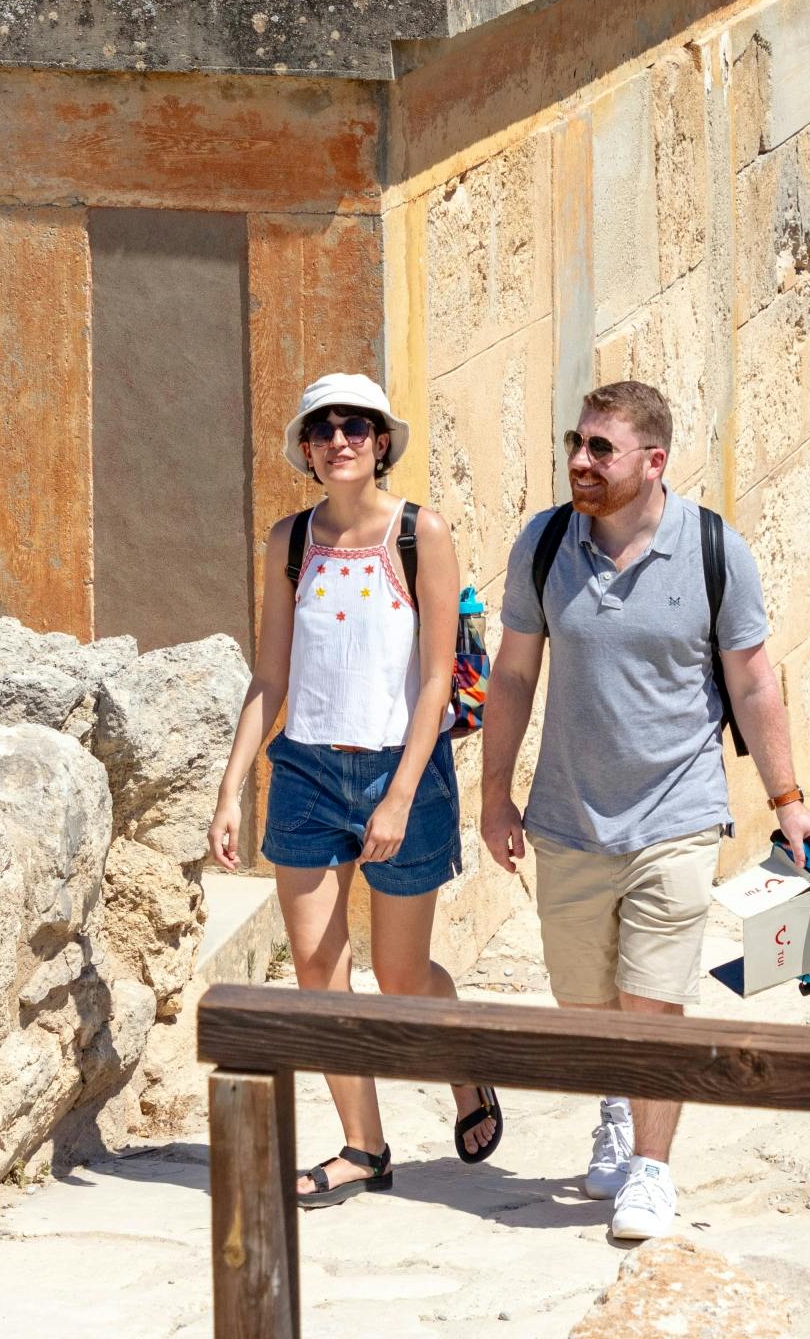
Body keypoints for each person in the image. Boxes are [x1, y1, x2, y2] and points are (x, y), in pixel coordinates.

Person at [479, 379, 810, 1248]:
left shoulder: (714, 550)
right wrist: (494, 793)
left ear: (653, 461)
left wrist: (787, 801)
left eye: (601, 448)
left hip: (678, 813)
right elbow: (515, 674)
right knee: (584, 999)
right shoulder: (546, 543)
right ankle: (615, 1104)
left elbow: (751, 679)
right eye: (576, 442)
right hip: (567, 818)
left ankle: (653, 1169)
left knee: (655, 998)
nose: (579, 461)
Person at [207, 370, 502, 1202]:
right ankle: (363, 1147)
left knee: (400, 976)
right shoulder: (288, 542)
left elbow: (439, 679)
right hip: (304, 769)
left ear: (381, 443)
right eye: (324, 429)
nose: (341, 440)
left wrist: (402, 795)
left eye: (358, 426)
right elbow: (270, 675)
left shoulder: (421, 534)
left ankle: (466, 1068)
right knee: (316, 969)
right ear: (306, 449)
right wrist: (232, 789)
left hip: (400, 769)